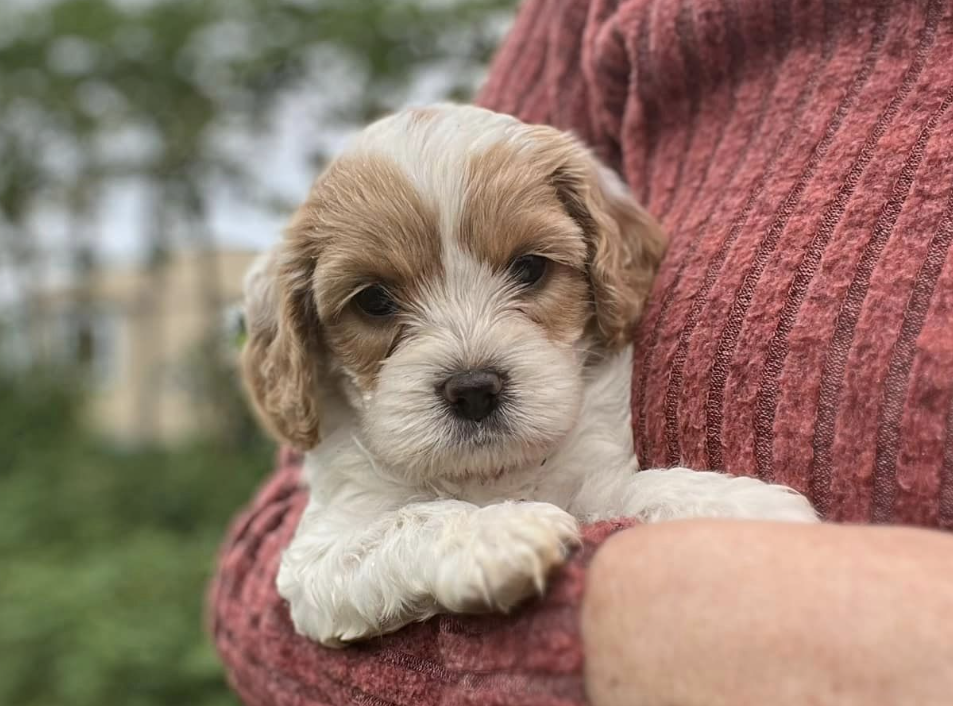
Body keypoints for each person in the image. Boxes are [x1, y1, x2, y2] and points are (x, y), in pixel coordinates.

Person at [210, 0, 953, 703]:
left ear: (608, 260)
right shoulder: (355, 456)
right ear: (301, 328)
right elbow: (311, 579)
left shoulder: (587, 402)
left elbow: (607, 497)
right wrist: (444, 544)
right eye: (376, 303)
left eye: (529, 271)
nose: (470, 367)